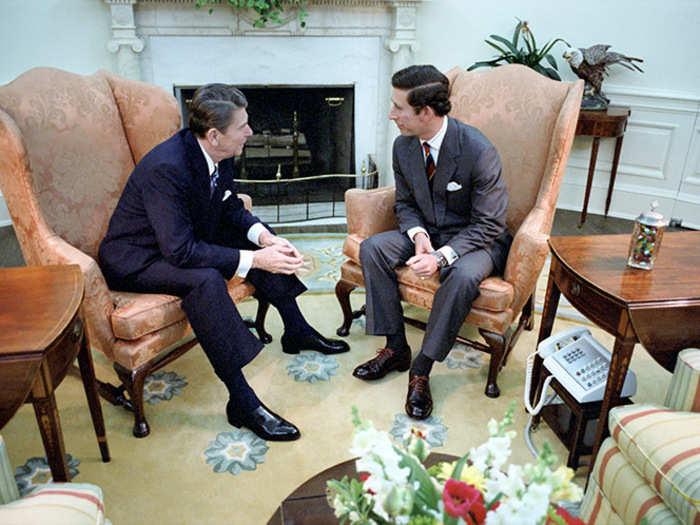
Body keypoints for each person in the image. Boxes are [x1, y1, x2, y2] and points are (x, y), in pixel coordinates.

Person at [98, 84, 349, 441]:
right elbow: (181, 253)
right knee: (205, 280)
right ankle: (243, 402)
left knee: (261, 241)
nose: (250, 131)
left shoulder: (218, 152)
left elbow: (230, 207)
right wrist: (254, 259)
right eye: (243, 125)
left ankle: (296, 330)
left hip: (177, 242)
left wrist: (265, 239)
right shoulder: (166, 168)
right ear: (214, 135)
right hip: (137, 258)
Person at [351, 65, 511, 419]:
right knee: (372, 248)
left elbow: (490, 223)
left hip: (477, 240)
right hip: (431, 233)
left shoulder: (477, 150)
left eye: (398, 108)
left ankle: (421, 368)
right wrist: (419, 236)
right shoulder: (403, 146)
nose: (391, 115)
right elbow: (405, 203)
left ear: (425, 112)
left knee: (463, 276)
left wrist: (440, 258)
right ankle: (395, 349)